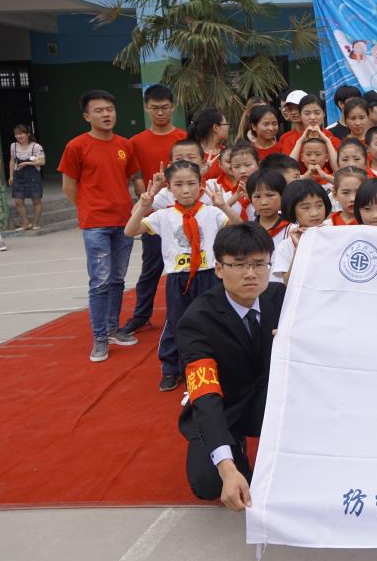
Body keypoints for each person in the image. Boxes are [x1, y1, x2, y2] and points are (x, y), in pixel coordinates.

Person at [176, 223, 285, 509]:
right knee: (209, 483)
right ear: (219, 269)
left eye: (259, 264)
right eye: (238, 265)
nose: (250, 273)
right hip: (227, 406)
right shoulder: (197, 320)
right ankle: (234, 449)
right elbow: (205, 394)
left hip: (274, 400)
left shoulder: (283, 299)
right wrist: (227, 468)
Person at [125, 161, 239, 391]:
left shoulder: (212, 212)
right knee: (179, 324)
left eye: (191, 183)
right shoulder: (163, 216)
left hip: (209, 276)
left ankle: (214, 367)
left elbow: (239, 226)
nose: (186, 190)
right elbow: (130, 231)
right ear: (169, 188)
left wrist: (224, 206)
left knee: (213, 322)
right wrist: (143, 205)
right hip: (179, 279)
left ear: (201, 185)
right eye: (178, 184)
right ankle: (178, 369)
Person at [59, 89, 144, 362]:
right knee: (100, 281)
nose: (106, 114)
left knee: (117, 278)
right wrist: (87, 209)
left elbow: (133, 179)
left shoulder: (124, 145)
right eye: (99, 111)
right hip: (96, 224)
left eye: (109, 109)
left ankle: (112, 329)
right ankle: (99, 338)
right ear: (87, 116)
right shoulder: (76, 146)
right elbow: (68, 186)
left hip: (124, 222)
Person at [123, 85, 187, 335]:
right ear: (146, 108)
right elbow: (136, 177)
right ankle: (141, 315)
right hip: (154, 215)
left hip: (185, 213)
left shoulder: (183, 138)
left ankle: (188, 314)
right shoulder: (135, 142)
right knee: (151, 268)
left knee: (187, 267)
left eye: (165, 107)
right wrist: (146, 200)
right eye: (155, 108)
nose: (160, 112)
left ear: (173, 107)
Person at [270, 180, 331, 282]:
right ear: (291, 210)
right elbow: (287, 282)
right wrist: (299, 248)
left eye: (319, 205)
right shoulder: (287, 245)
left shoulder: (336, 235)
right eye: (305, 207)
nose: (315, 213)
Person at [8, 124, 45, 231]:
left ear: (28, 134)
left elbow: (42, 161)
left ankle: (35, 223)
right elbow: (12, 160)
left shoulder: (36, 147)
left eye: (21, 134)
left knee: (36, 200)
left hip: (33, 176)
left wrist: (27, 163)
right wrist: (11, 176)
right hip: (18, 176)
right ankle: (26, 223)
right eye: (16, 134)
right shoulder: (13, 146)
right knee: (17, 200)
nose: (18, 136)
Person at [189, 108, 230, 175]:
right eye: (226, 124)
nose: (228, 127)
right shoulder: (193, 156)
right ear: (215, 127)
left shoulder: (228, 152)